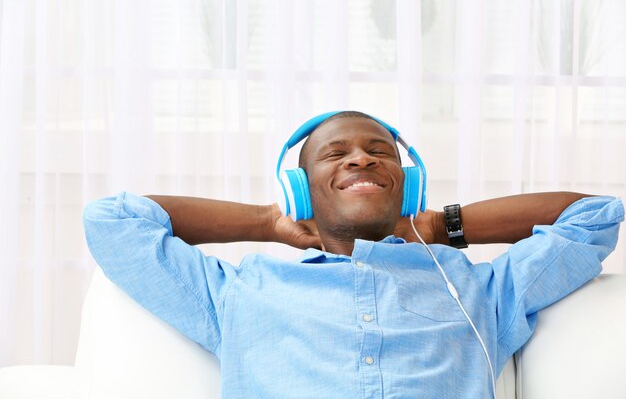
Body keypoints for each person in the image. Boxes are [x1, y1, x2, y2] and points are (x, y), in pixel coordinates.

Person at [83, 111, 623, 399]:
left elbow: (595, 217)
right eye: (336, 155)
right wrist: (268, 222)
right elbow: (112, 222)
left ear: (407, 186)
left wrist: (435, 225)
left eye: (379, 152)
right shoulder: (239, 293)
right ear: (301, 190)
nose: (360, 159)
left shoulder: (477, 290)